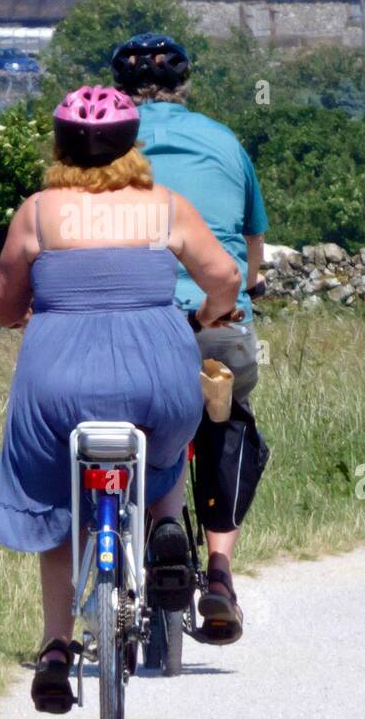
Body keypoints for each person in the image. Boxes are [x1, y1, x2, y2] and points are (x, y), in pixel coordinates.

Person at [0, 85, 241, 713]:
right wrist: (206, 315)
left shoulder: (39, 213)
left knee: (50, 491)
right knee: (170, 443)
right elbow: (227, 277)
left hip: (58, 381)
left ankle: (54, 648)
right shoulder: (164, 206)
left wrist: (18, 313)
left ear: (59, 144)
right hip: (158, 372)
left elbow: (1, 303)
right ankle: (161, 529)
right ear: (132, 141)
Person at [111, 33, 269, 644]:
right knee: (227, 423)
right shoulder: (226, 141)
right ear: (185, 85)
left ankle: (152, 526)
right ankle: (222, 578)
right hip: (215, 319)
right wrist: (248, 289)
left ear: (119, 92)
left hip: (133, 319)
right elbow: (250, 254)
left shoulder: (104, 150)